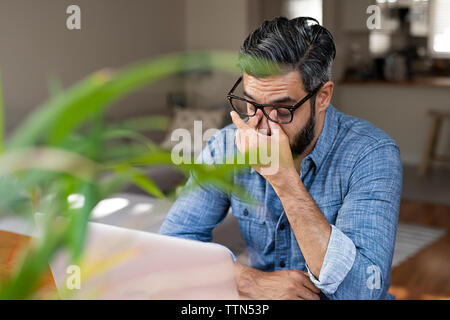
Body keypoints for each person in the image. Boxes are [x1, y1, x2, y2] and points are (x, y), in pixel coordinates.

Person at [159, 17, 402, 300]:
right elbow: (172, 245)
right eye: (251, 103)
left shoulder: (372, 154)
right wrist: (248, 280)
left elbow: (363, 291)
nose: (261, 126)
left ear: (322, 97)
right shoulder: (226, 144)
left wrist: (286, 181)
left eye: (282, 110)